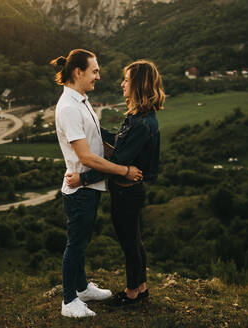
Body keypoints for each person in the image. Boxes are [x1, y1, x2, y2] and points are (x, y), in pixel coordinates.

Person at [51, 49, 143, 318]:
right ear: (78, 72)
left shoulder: (81, 100)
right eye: (94, 71)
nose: (98, 77)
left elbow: (96, 138)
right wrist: (124, 170)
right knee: (76, 243)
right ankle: (69, 301)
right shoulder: (68, 107)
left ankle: (81, 287)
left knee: (83, 239)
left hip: (89, 187)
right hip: (80, 189)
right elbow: (86, 157)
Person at [65, 60, 165, 306]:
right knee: (133, 238)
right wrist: (91, 128)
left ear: (139, 85)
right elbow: (120, 143)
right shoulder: (140, 117)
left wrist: (83, 178)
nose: (122, 84)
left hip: (127, 193)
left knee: (129, 242)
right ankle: (141, 288)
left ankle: (132, 293)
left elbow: (116, 162)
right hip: (128, 191)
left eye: (127, 80)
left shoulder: (141, 123)